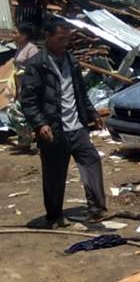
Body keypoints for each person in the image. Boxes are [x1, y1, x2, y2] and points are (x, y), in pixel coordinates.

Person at [20, 19, 106, 228]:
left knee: (91, 160)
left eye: (67, 38)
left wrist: (92, 112)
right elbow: (28, 100)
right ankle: (54, 216)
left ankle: (96, 209)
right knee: (54, 175)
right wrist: (41, 124)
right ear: (47, 37)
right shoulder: (37, 65)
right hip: (53, 130)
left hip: (76, 128)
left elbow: (80, 93)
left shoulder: (72, 61)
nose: (65, 42)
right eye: (60, 38)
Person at [9, 23, 40, 152]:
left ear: (24, 35)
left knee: (26, 112)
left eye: (15, 33)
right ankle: (25, 140)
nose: (13, 35)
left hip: (30, 86)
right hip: (20, 86)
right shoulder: (20, 48)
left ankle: (33, 142)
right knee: (15, 112)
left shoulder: (31, 49)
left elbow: (35, 68)